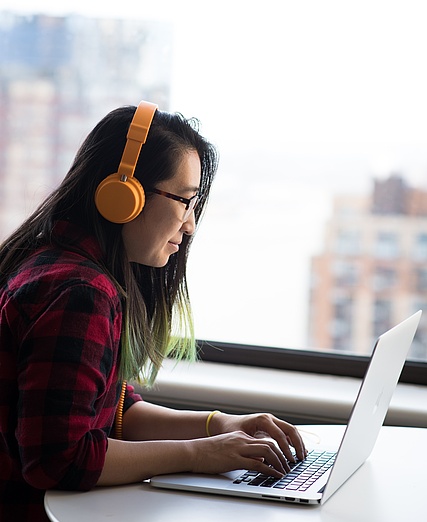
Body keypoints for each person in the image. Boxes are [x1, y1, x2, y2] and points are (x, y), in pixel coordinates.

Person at [0, 101, 307, 521]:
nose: (190, 224)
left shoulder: (54, 260)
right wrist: (199, 455)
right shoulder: (79, 292)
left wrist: (219, 426)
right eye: (183, 200)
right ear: (122, 194)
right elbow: (60, 458)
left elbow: (109, 410)